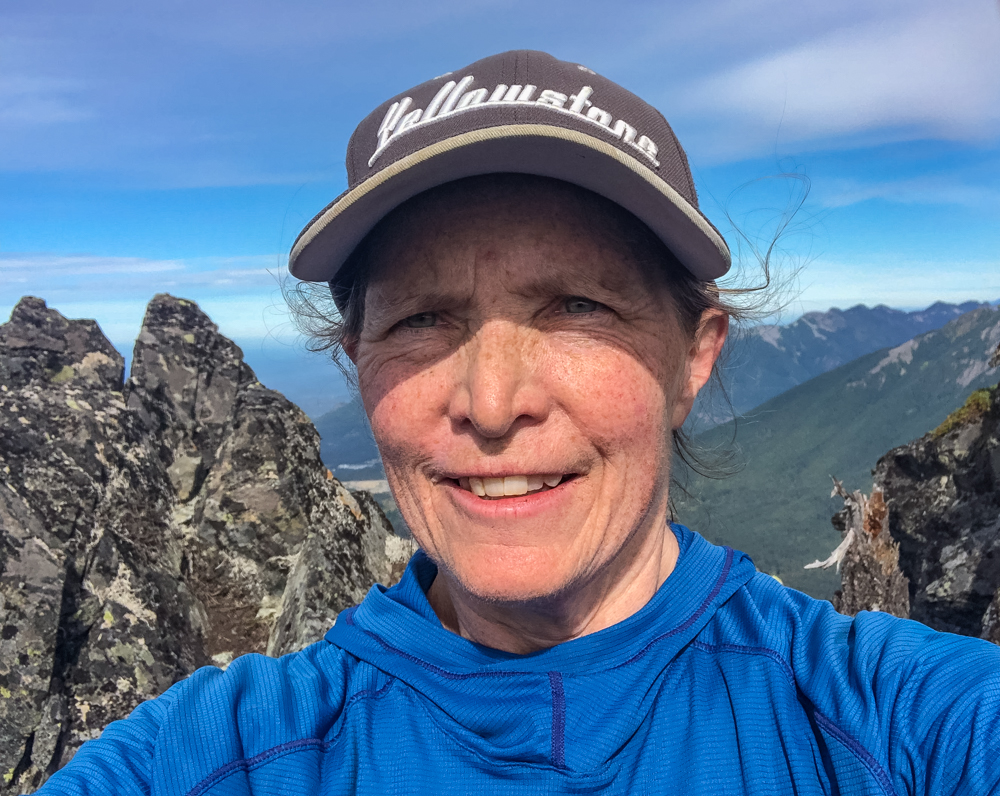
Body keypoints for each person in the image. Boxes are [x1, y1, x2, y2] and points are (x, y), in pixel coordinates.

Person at [37, 49, 1000, 796]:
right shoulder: (220, 756)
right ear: (357, 364)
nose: (493, 405)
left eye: (576, 306)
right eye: (420, 319)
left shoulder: (895, 720)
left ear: (694, 357)